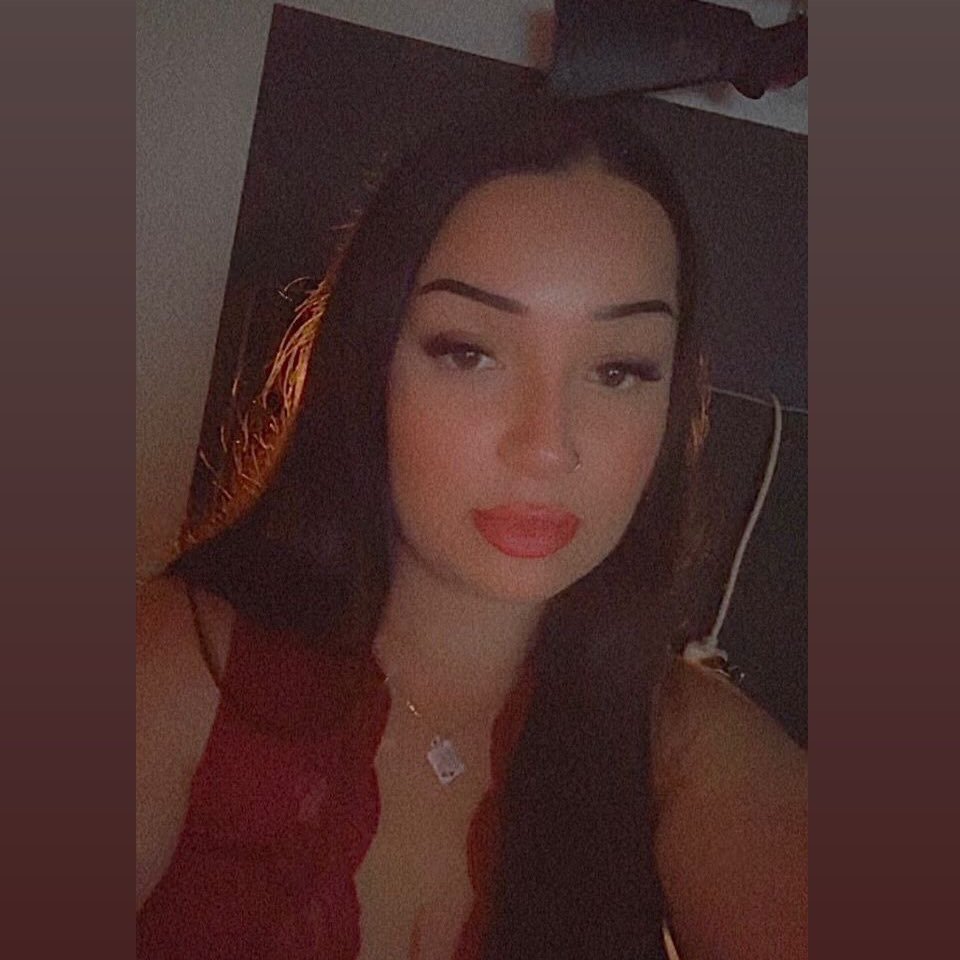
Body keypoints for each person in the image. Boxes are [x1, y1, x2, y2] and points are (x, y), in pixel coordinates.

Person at [136, 94, 807, 960]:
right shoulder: (171, 664)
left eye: (618, 369)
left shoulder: (689, 750)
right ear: (370, 363)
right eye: (469, 352)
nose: (547, 447)